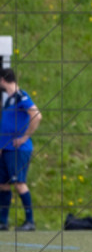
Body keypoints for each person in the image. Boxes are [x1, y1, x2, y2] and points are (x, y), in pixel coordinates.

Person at [0, 69, 42, 232]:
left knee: (19, 183)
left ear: (3, 80)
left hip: (18, 149)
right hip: (6, 149)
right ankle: (3, 221)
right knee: (3, 184)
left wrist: (24, 137)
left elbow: (36, 115)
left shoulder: (21, 96)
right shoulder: (9, 100)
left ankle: (30, 221)